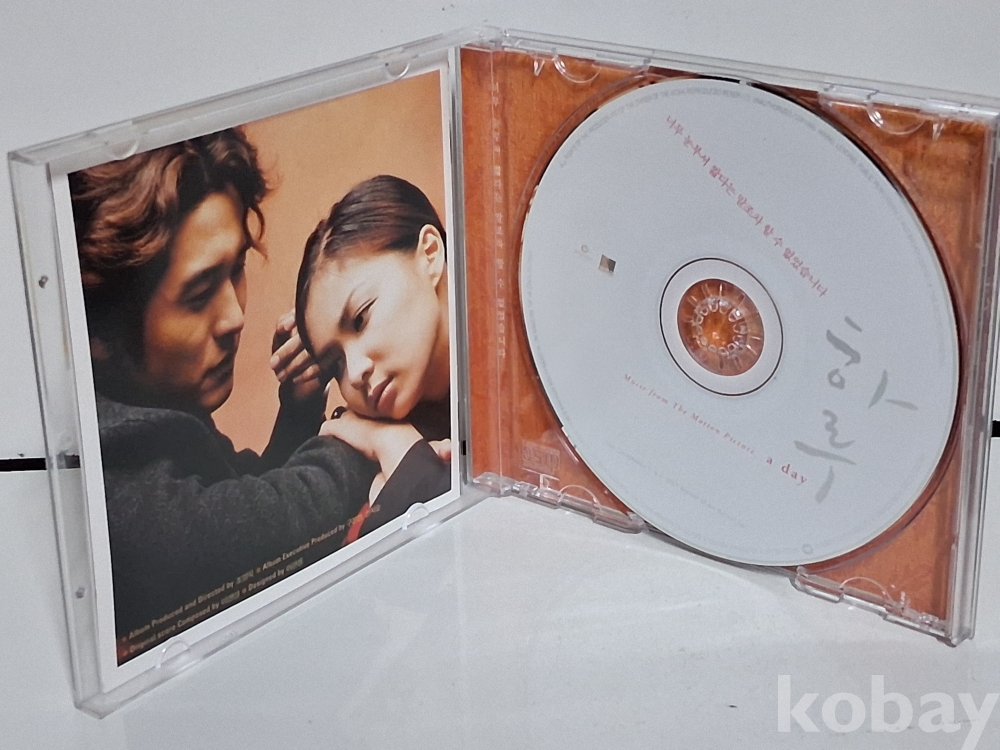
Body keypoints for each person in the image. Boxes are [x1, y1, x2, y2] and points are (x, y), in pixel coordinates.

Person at [71, 131, 429, 661]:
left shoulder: (156, 410)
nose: (235, 317)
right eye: (197, 295)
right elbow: (228, 548)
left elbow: (239, 498)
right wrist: (363, 438)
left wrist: (300, 411)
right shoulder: (93, 450)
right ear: (98, 334)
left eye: (236, 269)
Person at [294, 175, 452, 538]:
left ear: (429, 254)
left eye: (360, 319)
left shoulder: (528, 350)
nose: (355, 373)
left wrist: (398, 452)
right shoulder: (359, 458)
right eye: (334, 365)